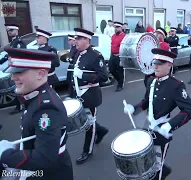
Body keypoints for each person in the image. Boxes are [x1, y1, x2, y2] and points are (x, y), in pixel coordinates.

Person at [0, 48, 73, 179]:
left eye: (19, 72)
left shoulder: (46, 108)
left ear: (40, 74)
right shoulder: (35, 97)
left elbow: (43, 158)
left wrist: (6, 154)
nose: (13, 77)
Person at [124, 48, 191, 180]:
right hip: (147, 127)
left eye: (160, 63)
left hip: (162, 131)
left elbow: (189, 110)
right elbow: (147, 101)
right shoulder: (151, 81)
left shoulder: (176, 86)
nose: (155, 65)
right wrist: (134, 109)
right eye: (154, 62)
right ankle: (163, 169)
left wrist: (170, 125)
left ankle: (161, 171)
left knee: (156, 168)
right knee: (146, 160)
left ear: (169, 65)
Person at [70, 28, 109, 164]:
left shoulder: (95, 55)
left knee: (89, 124)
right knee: (84, 120)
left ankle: (87, 150)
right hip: (78, 93)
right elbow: (73, 76)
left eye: (78, 39)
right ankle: (101, 130)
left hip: (90, 94)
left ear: (86, 40)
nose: (75, 41)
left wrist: (84, 75)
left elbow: (104, 76)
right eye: (75, 39)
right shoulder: (77, 54)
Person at [2, 24, 26, 115]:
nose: (9, 32)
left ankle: (21, 105)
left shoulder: (19, 42)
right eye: (8, 31)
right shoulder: (13, 42)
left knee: (18, 87)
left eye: (11, 30)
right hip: (14, 67)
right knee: (16, 87)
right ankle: (19, 105)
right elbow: (9, 54)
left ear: (16, 31)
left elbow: (22, 55)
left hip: (18, 68)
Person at [110, 22, 126, 92]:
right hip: (113, 56)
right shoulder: (113, 36)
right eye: (115, 27)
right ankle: (119, 80)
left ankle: (120, 84)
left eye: (117, 27)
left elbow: (124, 48)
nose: (115, 29)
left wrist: (122, 58)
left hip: (120, 56)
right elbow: (112, 46)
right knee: (111, 69)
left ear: (121, 28)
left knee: (120, 71)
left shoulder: (124, 36)